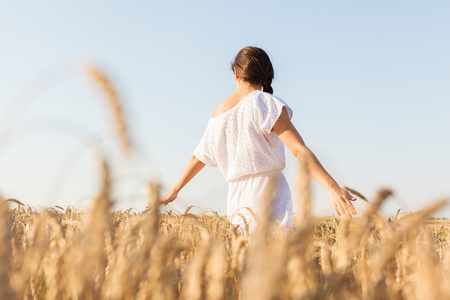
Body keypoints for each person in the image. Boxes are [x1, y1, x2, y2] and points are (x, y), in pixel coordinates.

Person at [147, 46, 357, 231]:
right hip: (269, 191)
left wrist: (174, 191)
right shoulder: (265, 102)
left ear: (236, 73)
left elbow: (198, 157)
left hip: (237, 197)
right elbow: (298, 150)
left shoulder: (218, 113)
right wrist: (332, 187)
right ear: (266, 75)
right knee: (275, 262)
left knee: (247, 263)